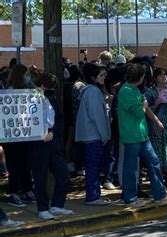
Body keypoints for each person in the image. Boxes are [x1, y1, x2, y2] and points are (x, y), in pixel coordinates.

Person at [118, 64, 167, 207]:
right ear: (139, 78)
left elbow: (146, 108)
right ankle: (130, 198)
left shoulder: (134, 89)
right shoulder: (125, 91)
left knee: (154, 161)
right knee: (131, 168)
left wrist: (156, 121)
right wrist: (144, 104)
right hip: (131, 136)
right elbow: (140, 111)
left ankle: (160, 194)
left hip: (142, 135)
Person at [29, 73, 73, 220]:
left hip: (53, 141)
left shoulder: (52, 99)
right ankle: (42, 208)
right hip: (38, 143)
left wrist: (53, 133)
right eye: (49, 87)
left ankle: (57, 205)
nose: (51, 90)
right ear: (41, 85)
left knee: (63, 175)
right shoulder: (29, 98)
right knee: (40, 177)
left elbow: (59, 118)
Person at [75, 63, 111, 205]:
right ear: (93, 77)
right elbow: (98, 116)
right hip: (94, 135)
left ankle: (94, 194)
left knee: (93, 166)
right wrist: (105, 135)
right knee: (93, 166)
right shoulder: (93, 92)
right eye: (101, 75)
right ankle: (92, 196)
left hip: (92, 135)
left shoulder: (90, 91)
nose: (104, 77)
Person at [3, 64, 36, 207]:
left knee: (24, 164)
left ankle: (26, 190)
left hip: (24, 133)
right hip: (12, 136)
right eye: (26, 75)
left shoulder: (28, 90)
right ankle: (14, 193)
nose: (28, 77)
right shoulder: (9, 92)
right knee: (14, 164)